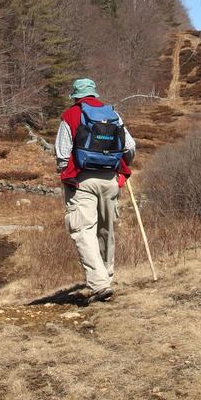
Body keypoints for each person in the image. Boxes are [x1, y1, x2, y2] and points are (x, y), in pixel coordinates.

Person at [54, 78, 136, 303]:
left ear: (76, 96)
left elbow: (62, 153)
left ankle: (99, 285)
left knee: (83, 230)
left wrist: (67, 175)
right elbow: (129, 147)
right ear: (94, 94)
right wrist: (120, 166)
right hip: (111, 180)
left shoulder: (70, 115)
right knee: (106, 230)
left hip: (81, 181)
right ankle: (106, 278)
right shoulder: (113, 115)